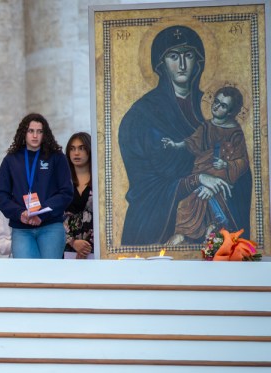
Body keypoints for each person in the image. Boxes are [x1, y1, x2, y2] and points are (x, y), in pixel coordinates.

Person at [119, 25, 233, 245]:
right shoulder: (142, 114)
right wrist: (197, 179)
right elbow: (146, 182)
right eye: (173, 56)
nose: (182, 65)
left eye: (188, 56)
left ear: (198, 61)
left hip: (211, 207)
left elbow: (236, 159)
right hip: (159, 215)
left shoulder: (213, 108)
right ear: (161, 64)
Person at [162, 86, 251, 244]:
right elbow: (192, 142)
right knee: (186, 203)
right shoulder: (207, 126)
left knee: (211, 197)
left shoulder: (236, 133)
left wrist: (226, 164)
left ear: (231, 112)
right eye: (216, 102)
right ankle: (184, 233)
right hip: (202, 172)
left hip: (223, 176)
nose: (216, 106)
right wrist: (175, 145)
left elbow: (243, 161)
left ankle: (212, 228)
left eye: (223, 105)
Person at [0, 113, 73, 259]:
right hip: (21, 228)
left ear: (45, 134)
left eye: (39, 131)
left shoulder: (56, 157)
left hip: (50, 226)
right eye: (31, 131)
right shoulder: (11, 159)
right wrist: (19, 213)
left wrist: (41, 213)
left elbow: (66, 192)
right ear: (24, 133)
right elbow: (0, 194)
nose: (35, 135)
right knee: (26, 276)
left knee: (50, 276)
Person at [63, 132, 94, 259]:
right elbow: (55, 214)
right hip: (67, 246)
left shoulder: (100, 180)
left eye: (81, 148)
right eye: (72, 148)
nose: (76, 153)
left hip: (95, 246)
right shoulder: (61, 181)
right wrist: (73, 242)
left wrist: (87, 246)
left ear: (90, 150)